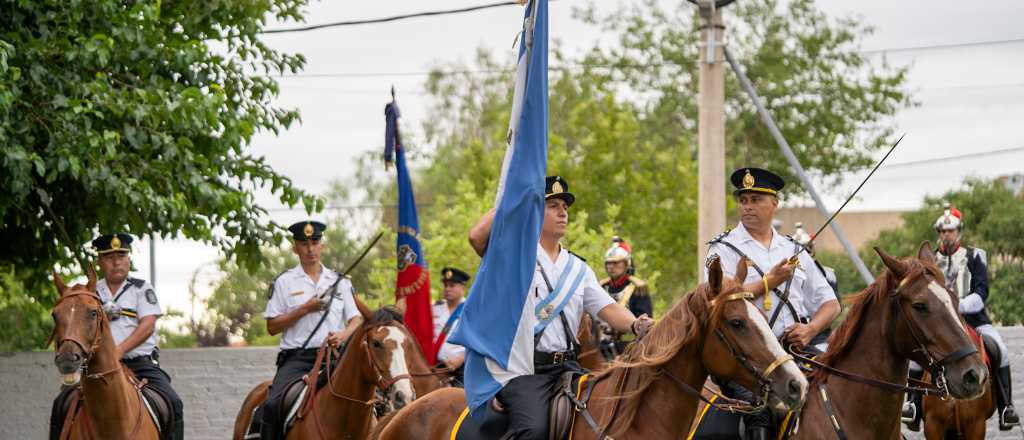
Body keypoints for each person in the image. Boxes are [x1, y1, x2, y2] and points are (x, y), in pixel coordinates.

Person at [467, 175, 654, 440]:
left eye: (565, 207)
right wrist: (514, 197)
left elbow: (610, 309)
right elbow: (476, 237)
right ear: (534, 211)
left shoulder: (577, 268)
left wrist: (636, 324)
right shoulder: (515, 258)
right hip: (525, 372)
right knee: (533, 431)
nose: (562, 212)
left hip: (569, 368)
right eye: (553, 206)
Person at [705, 168, 840, 440]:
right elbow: (719, 301)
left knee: (840, 389)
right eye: (744, 200)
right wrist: (770, 281)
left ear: (774, 204)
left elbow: (830, 303)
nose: (748, 207)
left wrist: (811, 329)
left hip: (795, 351)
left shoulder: (793, 250)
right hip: (745, 358)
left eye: (756, 200)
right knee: (761, 409)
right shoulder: (721, 250)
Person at [49, 233, 184, 440]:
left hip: (140, 364)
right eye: (110, 257)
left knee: (173, 402)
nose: (117, 262)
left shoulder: (141, 288)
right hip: (96, 368)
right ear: (100, 262)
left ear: (128, 259)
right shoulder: (89, 292)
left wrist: (117, 351)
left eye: (122, 256)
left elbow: (147, 325)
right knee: (61, 404)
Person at [902, 204, 1018, 431]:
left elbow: (982, 291)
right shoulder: (929, 261)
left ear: (959, 232)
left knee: (1000, 350)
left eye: (951, 231)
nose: (946, 235)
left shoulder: (975, 256)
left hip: (975, 320)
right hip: (939, 324)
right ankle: (913, 406)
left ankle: (1007, 408)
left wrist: (957, 307)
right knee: (917, 356)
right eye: (943, 232)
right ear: (938, 234)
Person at [259, 221, 364, 440]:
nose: (310, 249)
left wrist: (343, 335)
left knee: (373, 399)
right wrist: (305, 308)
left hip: (335, 358)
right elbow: (272, 326)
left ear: (322, 246)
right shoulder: (284, 282)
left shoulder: (339, 281)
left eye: (315, 242)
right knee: (272, 405)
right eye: (304, 243)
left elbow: (356, 318)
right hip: (297, 359)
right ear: (294, 247)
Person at [598, 237, 653, 358]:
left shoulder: (638, 288)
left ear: (626, 264)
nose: (611, 267)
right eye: (608, 263)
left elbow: (645, 322)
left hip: (628, 348)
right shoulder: (601, 286)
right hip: (600, 346)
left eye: (616, 262)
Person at [432, 267, 469, 386]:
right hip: (436, 367)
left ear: (462, 288)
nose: (447, 289)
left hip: (462, 368)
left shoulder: (471, 308)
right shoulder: (434, 308)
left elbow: (480, 339)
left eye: (452, 285)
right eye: (445, 285)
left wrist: (461, 358)